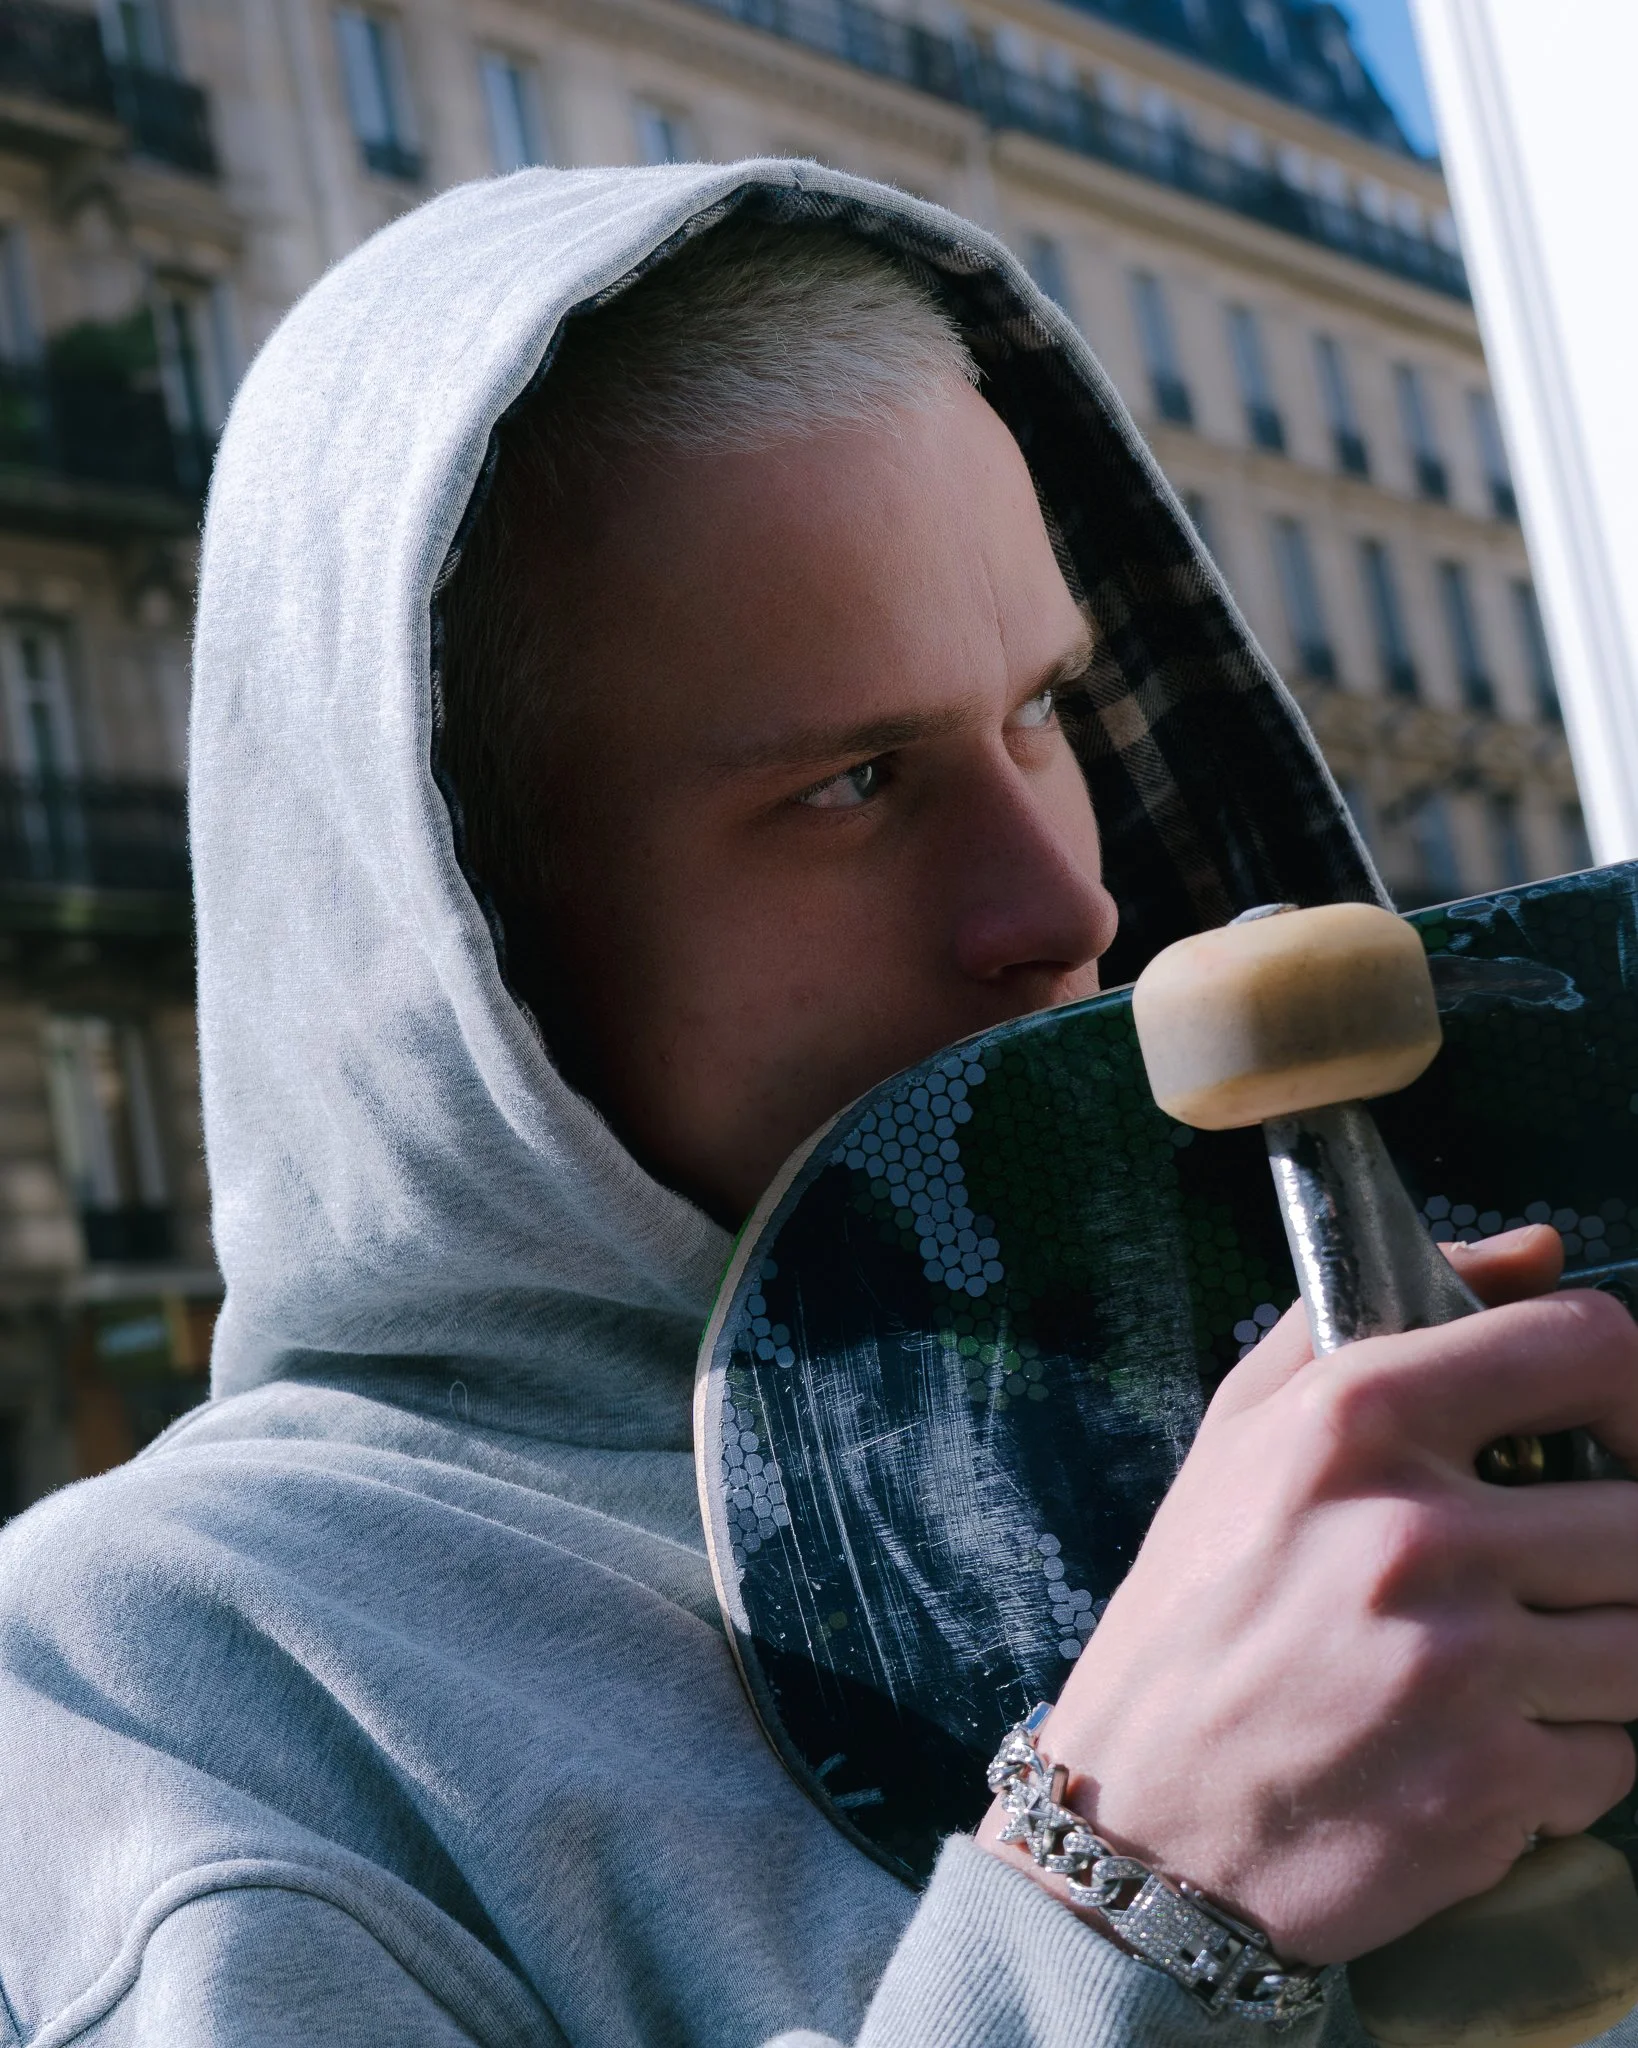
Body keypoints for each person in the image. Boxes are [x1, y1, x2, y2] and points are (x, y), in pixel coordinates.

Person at [0, 160, 1633, 2047]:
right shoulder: (148, 1684)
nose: (1067, 905)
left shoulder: (1399, 1403)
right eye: (851, 783)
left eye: (1043, 710)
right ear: (460, 925)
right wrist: (1140, 1906)